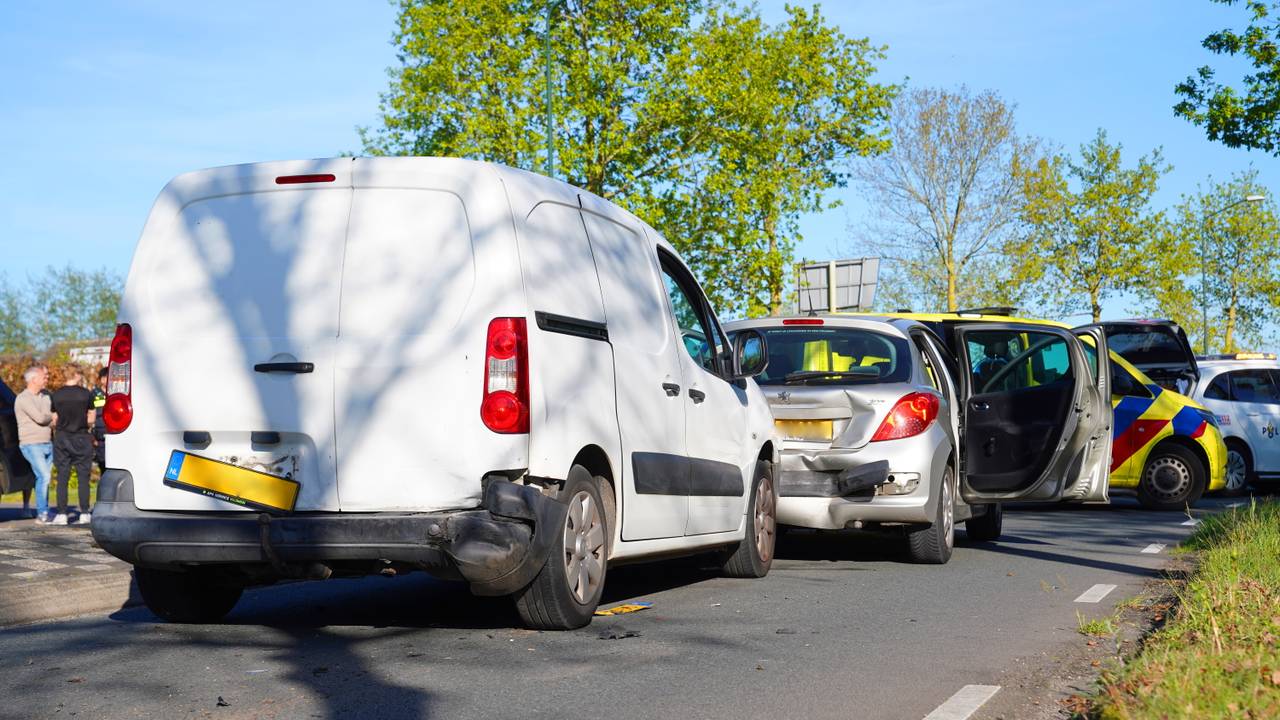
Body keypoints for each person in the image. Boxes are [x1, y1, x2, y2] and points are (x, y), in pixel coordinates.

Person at [50, 365, 95, 526]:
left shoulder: (56, 395)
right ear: (76, 374)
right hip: (81, 437)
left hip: (62, 438)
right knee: (83, 477)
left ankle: (62, 514)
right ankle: (84, 513)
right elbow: (91, 418)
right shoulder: (85, 394)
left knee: (62, 476)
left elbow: (54, 419)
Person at [14, 365, 55, 523]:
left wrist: (49, 417)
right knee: (43, 476)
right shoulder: (23, 399)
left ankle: (44, 511)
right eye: (43, 377)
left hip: (47, 442)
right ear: (33, 379)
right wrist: (52, 416)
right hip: (31, 444)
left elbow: (48, 417)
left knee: (45, 477)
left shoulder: (45, 396)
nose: (46, 379)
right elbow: (40, 417)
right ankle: (42, 513)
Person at [92, 366, 107, 473]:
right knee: (102, 463)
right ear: (102, 379)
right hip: (100, 435)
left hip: (114, 433)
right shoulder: (94, 394)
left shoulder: (117, 393)